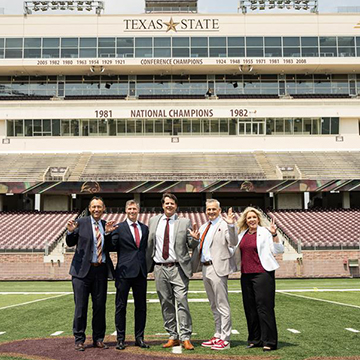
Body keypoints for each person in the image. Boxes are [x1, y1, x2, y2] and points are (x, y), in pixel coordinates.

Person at [146, 193, 199, 350]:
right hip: (159, 268)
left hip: (178, 268)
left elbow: (191, 244)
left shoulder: (184, 222)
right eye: (166, 203)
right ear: (162, 205)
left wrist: (195, 239)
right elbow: (150, 243)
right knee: (166, 303)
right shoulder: (153, 221)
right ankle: (173, 336)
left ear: (176, 206)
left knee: (182, 301)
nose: (169, 205)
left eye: (172, 203)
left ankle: (185, 336)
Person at [66, 196, 115, 351]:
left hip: (100, 270)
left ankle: (98, 339)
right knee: (81, 307)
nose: (96, 209)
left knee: (99, 307)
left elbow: (111, 247)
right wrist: (70, 232)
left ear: (104, 208)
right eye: (94, 207)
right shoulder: (81, 223)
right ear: (89, 208)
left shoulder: (106, 225)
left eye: (99, 207)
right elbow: (70, 242)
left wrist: (107, 235)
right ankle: (79, 339)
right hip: (81, 272)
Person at [191, 199, 238, 351]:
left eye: (213, 209)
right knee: (213, 304)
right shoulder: (204, 226)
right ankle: (217, 334)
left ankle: (225, 338)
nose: (210, 211)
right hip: (205, 268)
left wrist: (231, 225)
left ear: (219, 210)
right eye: (208, 209)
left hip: (218, 267)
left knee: (222, 304)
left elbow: (233, 242)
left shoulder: (225, 224)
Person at [236, 207, 284, 352]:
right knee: (249, 308)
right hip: (246, 275)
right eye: (249, 218)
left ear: (258, 219)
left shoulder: (265, 232)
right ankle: (254, 339)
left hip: (262, 274)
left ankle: (269, 341)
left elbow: (278, 250)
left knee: (264, 308)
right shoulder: (242, 234)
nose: (251, 220)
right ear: (245, 220)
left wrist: (274, 233)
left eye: (254, 217)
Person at [109, 200, 150, 350]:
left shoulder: (145, 229)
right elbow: (111, 246)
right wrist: (108, 234)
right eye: (130, 209)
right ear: (126, 210)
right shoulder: (118, 228)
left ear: (138, 211)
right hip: (124, 273)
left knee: (141, 307)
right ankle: (121, 339)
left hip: (140, 273)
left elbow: (145, 249)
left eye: (135, 209)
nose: (132, 211)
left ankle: (139, 338)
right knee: (121, 306)